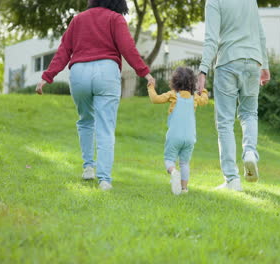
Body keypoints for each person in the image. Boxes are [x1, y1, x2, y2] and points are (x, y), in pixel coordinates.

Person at [36, 0, 155, 191]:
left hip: (79, 73)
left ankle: (88, 167)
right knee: (105, 126)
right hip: (106, 72)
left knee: (85, 120)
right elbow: (127, 48)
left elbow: (64, 51)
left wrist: (46, 77)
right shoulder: (115, 19)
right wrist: (145, 73)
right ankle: (104, 180)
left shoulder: (78, 20)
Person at [197, 0, 271, 191]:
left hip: (228, 61)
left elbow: (211, 38)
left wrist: (203, 70)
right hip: (254, 61)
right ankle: (250, 153)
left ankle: (232, 179)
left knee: (225, 122)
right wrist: (265, 66)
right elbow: (260, 34)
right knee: (249, 114)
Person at [147, 67, 209, 195]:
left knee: (169, 159)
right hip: (190, 138)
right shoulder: (195, 98)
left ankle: (174, 172)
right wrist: (203, 90)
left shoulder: (173, 95)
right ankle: (184, 189)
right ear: (192, 82)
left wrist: (151, 86)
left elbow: (155, 99)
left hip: (174, 136)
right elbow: (205, 100)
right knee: (184, 163)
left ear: (175, 81)